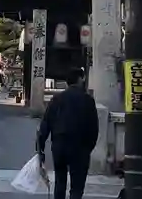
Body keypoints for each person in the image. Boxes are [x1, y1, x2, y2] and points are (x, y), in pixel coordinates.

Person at [36, 67, 99, 199]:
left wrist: (40, 148)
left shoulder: (57, 99)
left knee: (60, 182)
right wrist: (88, 148)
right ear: (81, 79)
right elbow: (94, 128)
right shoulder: (88, 100)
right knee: (77, 187)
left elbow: (45, 124)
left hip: (59, 146)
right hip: (80, 147)